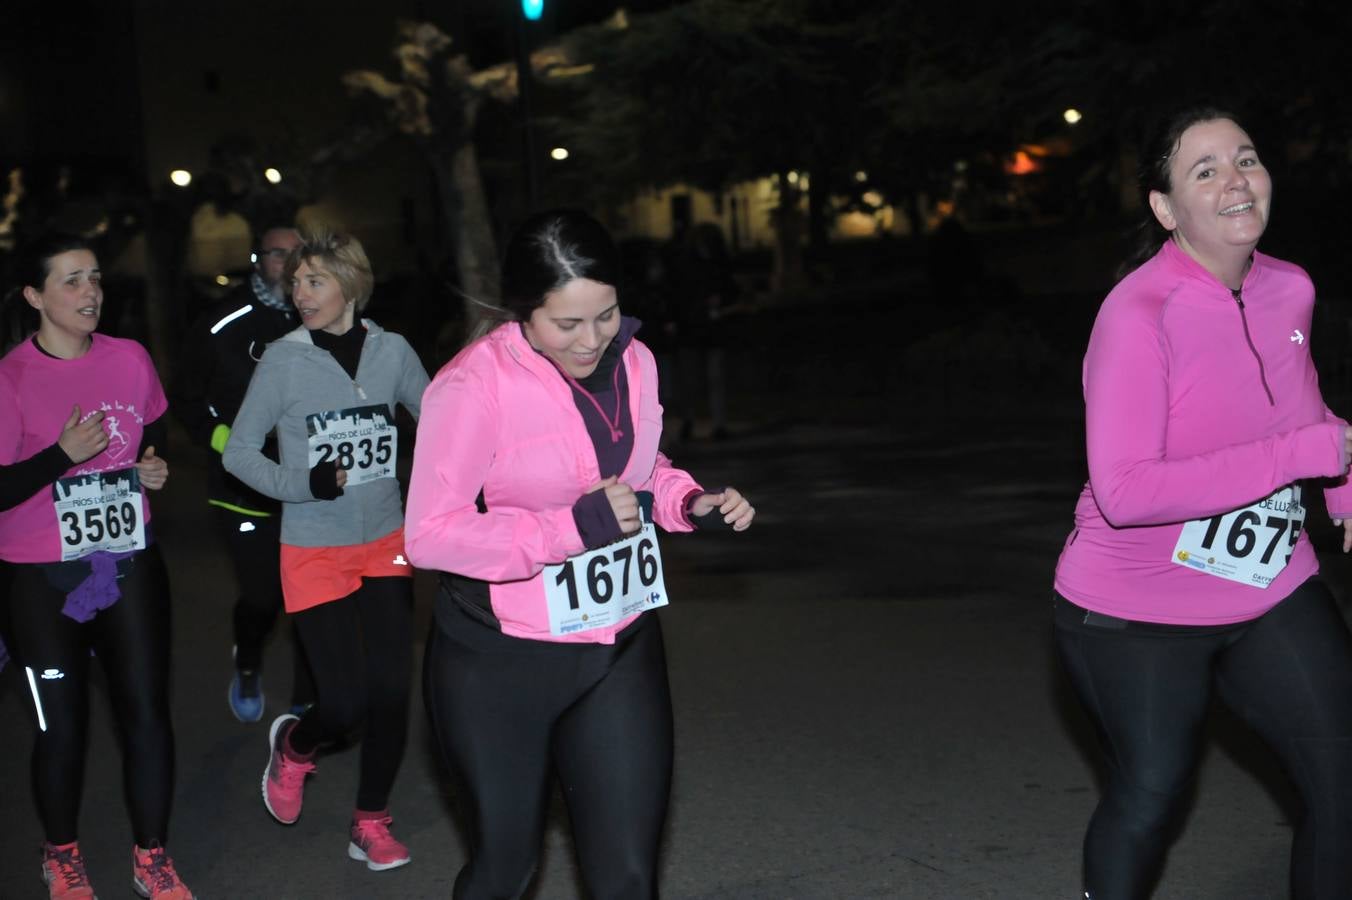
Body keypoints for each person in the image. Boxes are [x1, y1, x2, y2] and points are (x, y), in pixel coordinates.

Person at [404, 209, 756, 899]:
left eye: (607, 315)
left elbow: (640, 471)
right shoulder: (472, 386)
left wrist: (686, 501)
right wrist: (567, 529)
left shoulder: (638, 360)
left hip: (617, 645)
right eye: (568, 324)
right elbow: (430, 534)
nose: (594, 339)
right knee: (507, 870)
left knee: (627, 877)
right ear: (524, 313)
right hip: (499, 659)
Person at [1053, 106, 1352, 899]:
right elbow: (1125, 491)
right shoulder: (1137, 315)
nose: (1235, 181)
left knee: (1343, 778)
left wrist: (1344, 476)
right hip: (1136, 608)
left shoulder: (1290, 288)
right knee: (1152, 794)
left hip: (1268, 583)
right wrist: (1297, 457)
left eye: (1246, 159)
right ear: (1165, 208)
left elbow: (1302, 410)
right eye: (1205, 170)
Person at [222, 226, 429, 872]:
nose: (300, 292)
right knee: (343, 703)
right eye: (297, 282)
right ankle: (297, 748)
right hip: (312, 547)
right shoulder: (283, 360)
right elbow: (238, 453)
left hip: (386, 543)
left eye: (314, 281)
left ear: (350, 284)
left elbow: (443, 422)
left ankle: (370, 820)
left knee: (392, 691)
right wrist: (301, 485)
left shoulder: (391, 351)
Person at [0, 234, 194, 899]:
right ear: (35, 297)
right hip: (42, 576)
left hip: (126, 562)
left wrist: (153, 465)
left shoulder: (130, 357)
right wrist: (60, 455)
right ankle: (62, 854)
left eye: (96, 279)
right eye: (73, 281)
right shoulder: (10, 377)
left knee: (146, 713)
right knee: (64, 727)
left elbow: (153, 429)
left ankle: (152, 855)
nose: (91, 294)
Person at [170, 225, 315, 723]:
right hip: (243, 488)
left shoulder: (325, 315)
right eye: (278, 254)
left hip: (312, 490)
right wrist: (227, 443)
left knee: (311, 598)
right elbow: (186, 399)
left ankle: (304, 702)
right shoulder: (222, 323)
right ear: (259, 260)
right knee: (264, 596)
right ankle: (248, 661)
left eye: (298, 254)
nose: (289, 263)